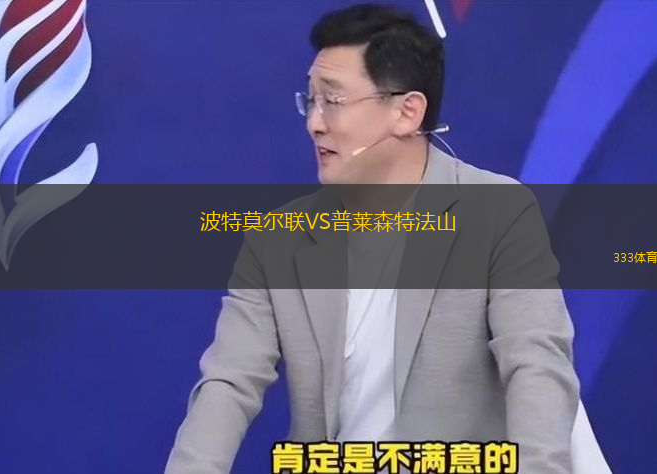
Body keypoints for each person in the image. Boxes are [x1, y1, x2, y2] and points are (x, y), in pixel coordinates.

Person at [165, 4, 583, 473]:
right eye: (310, 100)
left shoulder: (498, 213)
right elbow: (228, 384)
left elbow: (537, 367)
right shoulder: (279, 239)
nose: (314, 122)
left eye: (334, 100)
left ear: (407, 112)